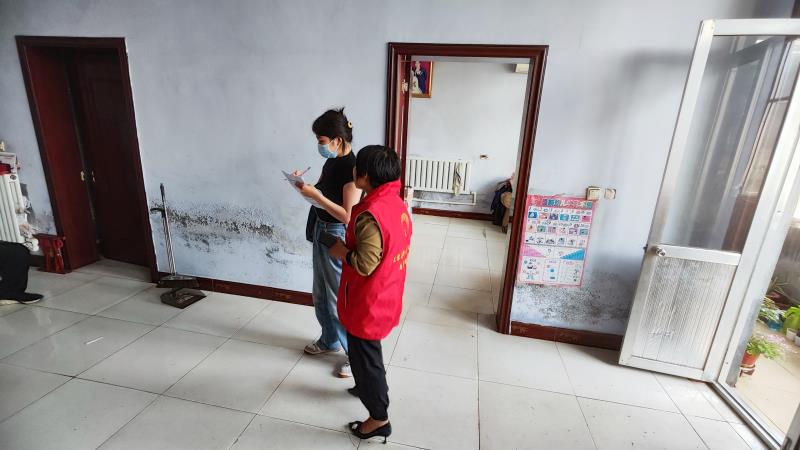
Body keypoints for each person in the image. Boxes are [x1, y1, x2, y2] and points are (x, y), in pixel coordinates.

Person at [328, 145, 412, 442]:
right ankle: (365, 387)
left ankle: (378, 418)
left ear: (363, 175)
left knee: (366, 360)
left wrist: (340, 252)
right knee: (366, 353)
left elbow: (364, 264)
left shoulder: (369, 214)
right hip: (387, 290)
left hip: (368, 300)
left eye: (357, 167)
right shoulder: (394, 203)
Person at [295, 108, 361, 378]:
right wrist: (304, 187)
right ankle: (329, 339)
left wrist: (317, 197)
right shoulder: (332, 161)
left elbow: (347, 216)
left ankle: (355, 357)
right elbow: (324, 194)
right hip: (321, 228)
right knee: (320, 292)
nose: (319, 146)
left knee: (337, 296)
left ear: (337, 140)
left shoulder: (352, 169)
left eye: (321, 141)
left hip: (335, 233)